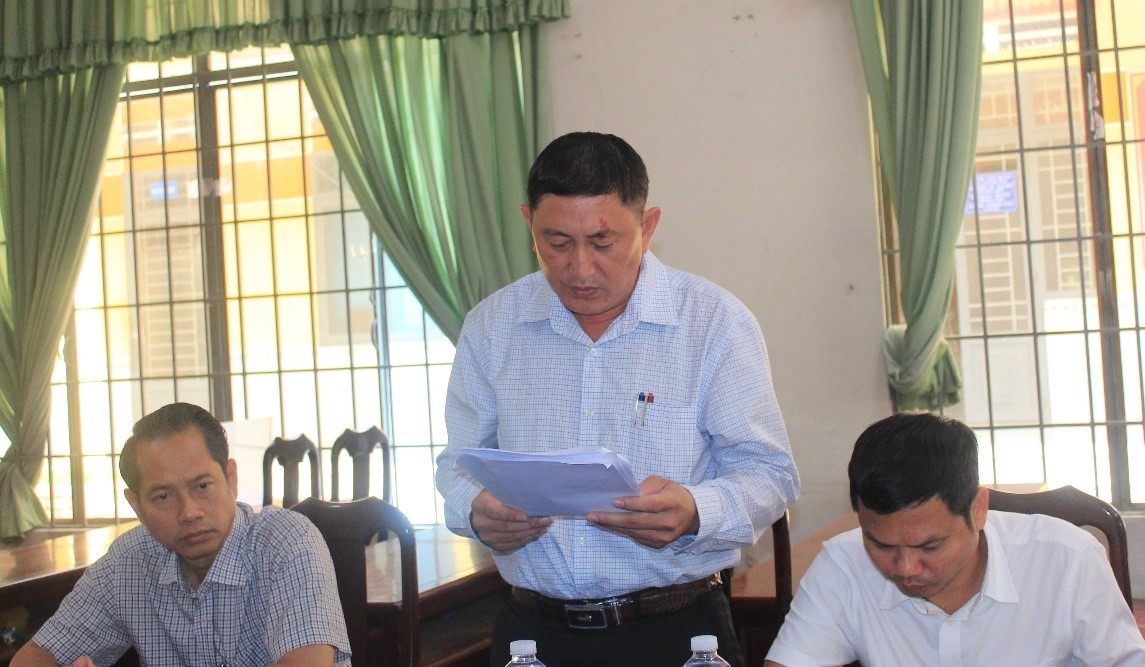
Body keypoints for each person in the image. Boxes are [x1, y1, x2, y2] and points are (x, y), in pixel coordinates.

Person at [435, 131, 799, 667]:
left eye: (603, 243)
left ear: (647, 227)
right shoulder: (493, 327)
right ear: (528, 223)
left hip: (679, 633)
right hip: (533, 636)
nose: (580, 268)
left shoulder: (713, 323)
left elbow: (770, 473)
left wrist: (695, 511)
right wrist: (475, 511)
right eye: (557, 242)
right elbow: (457, 463)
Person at [765, 412, 1145, 666]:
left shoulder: (1068, 560)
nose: (905, 568)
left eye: (929, 546)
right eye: (880, 545)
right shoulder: (843, 565)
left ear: (978, 509)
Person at [12, 402, 351, 667]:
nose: (189, 512)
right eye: (163, 496)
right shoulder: (129, 562)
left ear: (230, 479)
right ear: (136, 505)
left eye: (202, 486)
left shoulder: (287, 541)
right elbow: (33, 658)